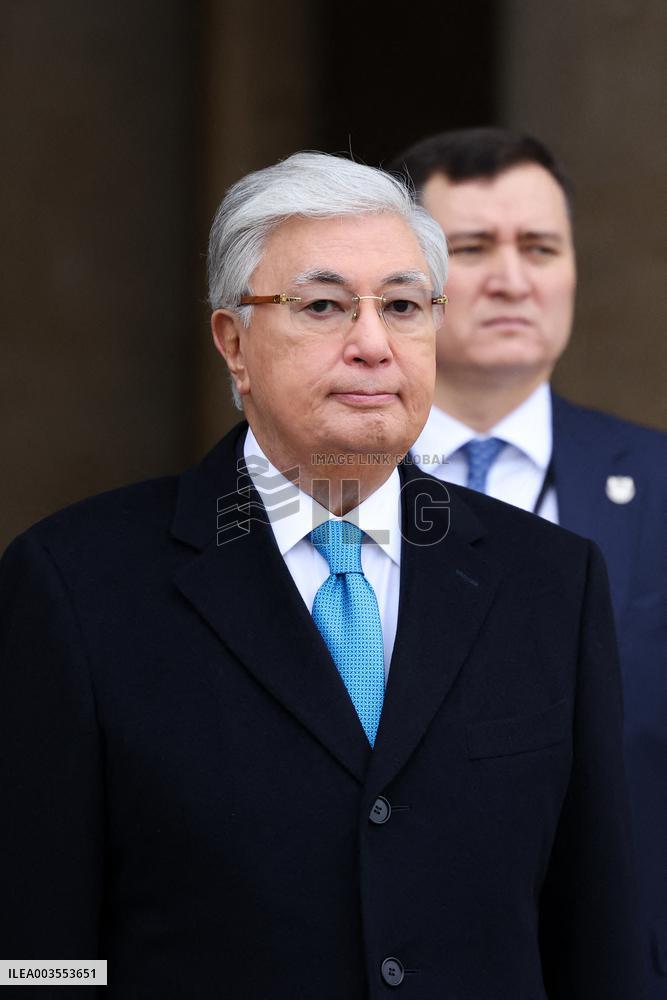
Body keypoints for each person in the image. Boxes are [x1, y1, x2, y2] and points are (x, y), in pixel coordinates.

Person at [0, 152, 644, 999]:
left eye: (403, 306)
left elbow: (596, 939)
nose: (372, 345)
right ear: (234, 343)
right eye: (323, 306)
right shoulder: (76, 584)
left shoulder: (549, 580)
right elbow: (36, 951)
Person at [392, 126, 667, 997]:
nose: (512, 279)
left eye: (540, 248)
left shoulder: (659, 484)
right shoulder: (321, 485)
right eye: (473, 248)